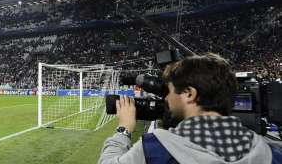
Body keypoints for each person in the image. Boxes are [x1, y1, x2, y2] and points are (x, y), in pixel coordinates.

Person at [99, 53, 280, 164]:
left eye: (169, 91)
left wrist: (124, 129)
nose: (167, 98)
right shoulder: (270, 153)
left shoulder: (157, 148)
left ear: (189, 94)